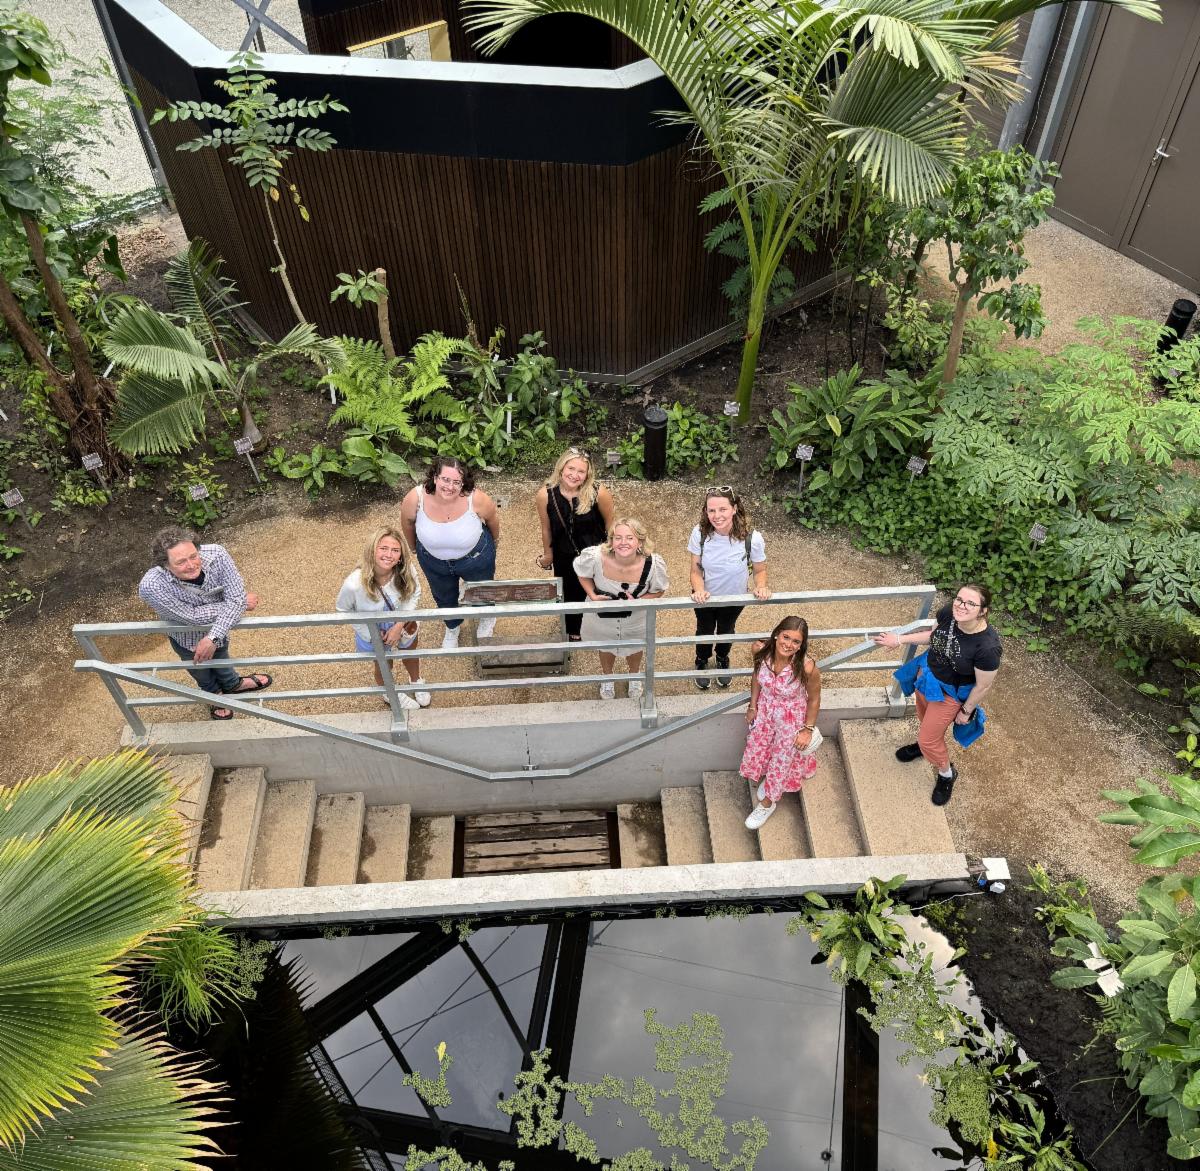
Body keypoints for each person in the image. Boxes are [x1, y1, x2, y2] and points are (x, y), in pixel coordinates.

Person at [872, 583, 1001, 806]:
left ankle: (946, 774)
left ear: (983, 611)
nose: (961, 606)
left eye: (971, 603)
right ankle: (925, 748)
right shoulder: (949, 613)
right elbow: (934, 637)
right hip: (928, 678)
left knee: (928, 739)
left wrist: (965, 711)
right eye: (959, 599)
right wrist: (899, 639)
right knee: (925, 721)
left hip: (950, 694)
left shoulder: (987, 648)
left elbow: (983, 686)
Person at [137, 526, 271, 720]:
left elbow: (234, 600)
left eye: (193, 556)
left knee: (222, 656)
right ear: (165, 564)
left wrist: (214, 637)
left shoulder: (217, 554)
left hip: (219, 630)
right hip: (185, 637)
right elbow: (191, 617)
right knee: (199, 669)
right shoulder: (151, 586)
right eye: (181, 562)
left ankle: (232, 684)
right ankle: (213, 694)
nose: (191, 565)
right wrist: (239, 602)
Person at [400, 457, 501, 649]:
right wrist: (413, 547)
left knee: (482, 589)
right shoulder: (415, 497)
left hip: (475, 558)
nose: (450, 486)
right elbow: (407, 522)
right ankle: (452, 626)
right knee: (443, 595)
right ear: (435, 477)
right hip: (434, 562)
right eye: (445, 479)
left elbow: (493, 520)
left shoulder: (477, 498)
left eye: (457, 482)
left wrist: (494, 543)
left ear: (464, 483)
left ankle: (487, 617)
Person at [573, 517, 669, 699]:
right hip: (601, 617)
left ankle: (634, 676)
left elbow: (659, 590)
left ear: (640, 542)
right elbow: (582, 573)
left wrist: (639, 602)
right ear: (611, 541)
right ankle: (608, 677)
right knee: (605, 646)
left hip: (636, 618)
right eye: (618, 538)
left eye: (630, 538)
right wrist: (592, 594)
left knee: (635, 646)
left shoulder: (654, 564)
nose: (623, 542)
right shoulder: (595, 557)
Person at [741, 616, 822, 829]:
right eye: (786, 637)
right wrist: (753, 706)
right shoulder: (760, 651)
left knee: (782, 759)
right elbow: (756, 676)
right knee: (764, 748)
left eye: (796, 641)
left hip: (791, 719)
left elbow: (814, 699)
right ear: (777, 634)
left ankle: (768, 804)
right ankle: (768, 781)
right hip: (766, 712)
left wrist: (807, 730)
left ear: (801, 645)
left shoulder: (807, 667)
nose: (789, 645)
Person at [336, 527, 430, 710]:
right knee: (383, 663)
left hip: (403, 621)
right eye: (383, 548)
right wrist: (369, 633)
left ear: (401, 555)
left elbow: (415, 592)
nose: (389, 555)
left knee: (410, 653)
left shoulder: (406, 569)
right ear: (372, 550)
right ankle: (389, 692)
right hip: (374, 630)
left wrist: (399, 624)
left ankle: (416, 680)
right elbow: (343, 610)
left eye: (395, 550)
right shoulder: (354, 583)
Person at [688, 486, 770, 689]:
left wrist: (761, 586)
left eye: (722, 509)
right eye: (711, 510)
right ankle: (702, 660)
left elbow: (760, 570)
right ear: (706, 512)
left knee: (727, 629)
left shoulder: (752, 538)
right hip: (705, 598)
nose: (717, 516)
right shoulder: (699, 534)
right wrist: (699, 590)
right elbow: (695, 570)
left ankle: (722, 657)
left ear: (734, 508)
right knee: (704, 630)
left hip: (734, 598)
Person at [535, 448, 614, 641]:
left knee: (599, 588)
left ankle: (601, 623)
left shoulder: (599, 492)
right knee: (569, 592)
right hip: (564, 555)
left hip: (595, 553)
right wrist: (548, 555)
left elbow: (610, 523)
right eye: (571, 468)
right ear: (561, 468)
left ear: (588, 474)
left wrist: (613, 551)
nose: (574, 475)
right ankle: (574, 629)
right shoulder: (545, 495)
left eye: (581, 471)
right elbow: (546, 528)